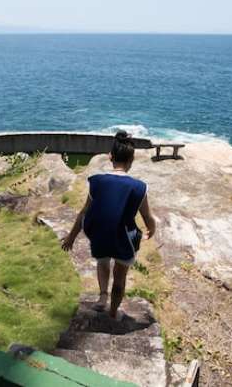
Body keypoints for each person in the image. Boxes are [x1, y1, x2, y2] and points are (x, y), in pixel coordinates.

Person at [61, 130, 156, 320]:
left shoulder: (97, 181)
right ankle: (113, 313)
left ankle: (102, 297)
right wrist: (151, 230)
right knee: (120, 277)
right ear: (131, 160)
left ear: (110, 157)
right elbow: (147, 216)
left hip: (99, 235)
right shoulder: (139, 187)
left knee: (102, 261)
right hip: (123, 239)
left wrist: (71, 237)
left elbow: (83, 212)